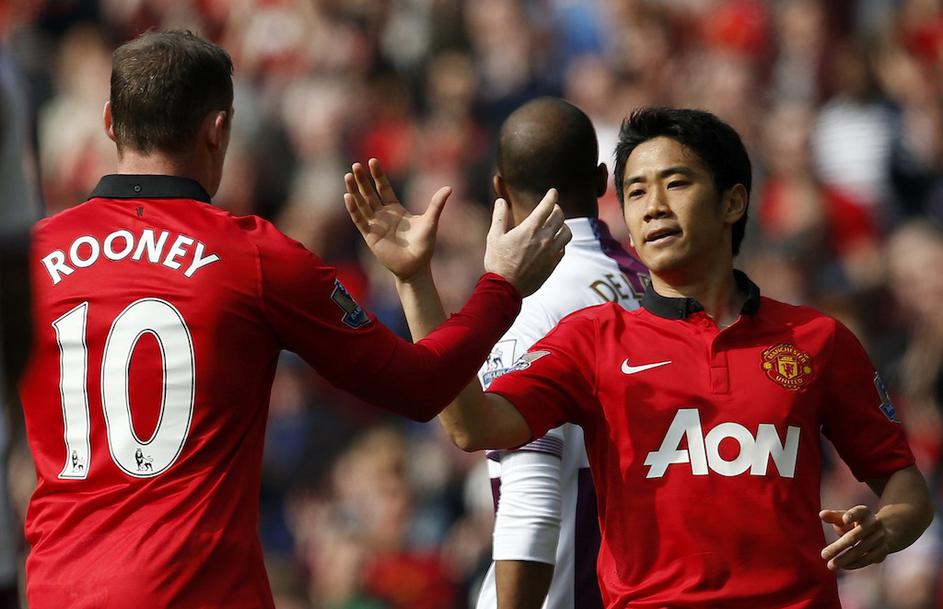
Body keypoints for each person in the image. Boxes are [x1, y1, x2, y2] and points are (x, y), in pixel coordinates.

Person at [18, 30, 570, 609]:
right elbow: (420, 386)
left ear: (110, 122)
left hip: (58, 592)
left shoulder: (29, 258)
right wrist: (501, 287)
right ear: (218, 129)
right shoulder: (253, 256)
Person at [345, 106, 933, 609]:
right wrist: (414, 280)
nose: (653, 206)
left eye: (675, 184)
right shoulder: (591, 339)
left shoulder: (817, 339)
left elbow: (908, 490)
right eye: (634, 191)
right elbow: (471, 427)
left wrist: (886, 528)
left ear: (733, 201)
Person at [347, 97, 648, 609]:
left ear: (499, 189)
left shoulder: (535, 299)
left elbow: (527, 497)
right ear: (602, 181)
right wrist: (414, 280)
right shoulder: (658, 290)